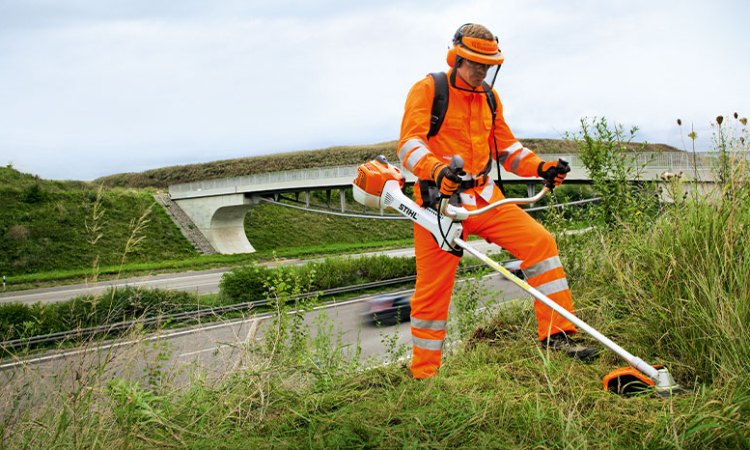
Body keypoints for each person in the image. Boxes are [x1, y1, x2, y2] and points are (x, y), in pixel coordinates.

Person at [397, 23, 597, 379]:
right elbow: (409, 146)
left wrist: (541, 166)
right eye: (475, 63)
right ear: (455, 57)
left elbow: (507, 150)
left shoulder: (489, 97)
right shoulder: (428, 89)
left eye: (487, 65)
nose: (481, 70)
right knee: (432, 292)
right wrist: (437, 170)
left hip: (486, 196)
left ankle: (558, 335)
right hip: (439, 203)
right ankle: (424, 375)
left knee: (540, 243)